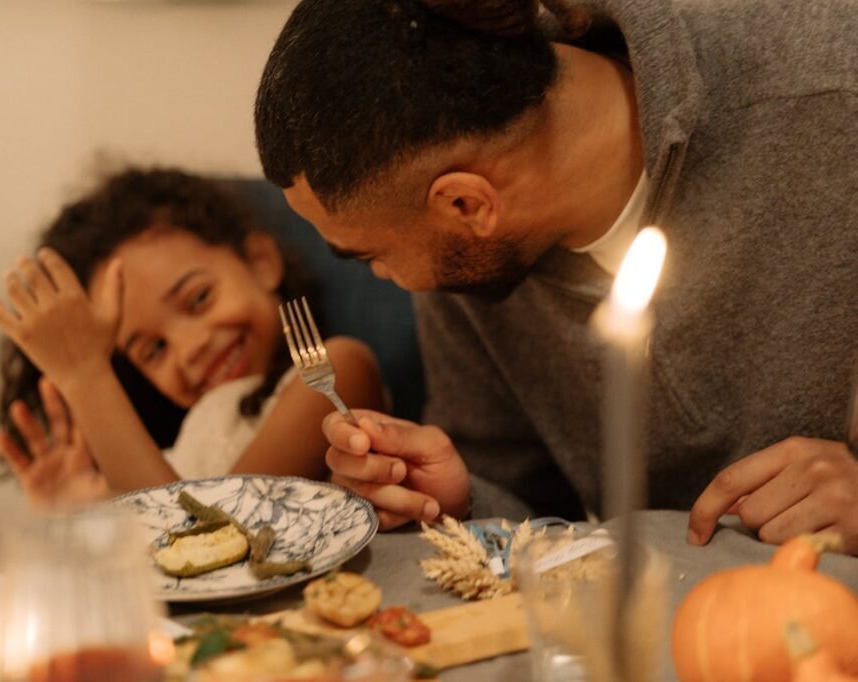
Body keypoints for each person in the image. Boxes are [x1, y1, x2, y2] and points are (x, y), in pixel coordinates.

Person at [253, 0, 858, 552]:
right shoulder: (471, 278)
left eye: (368, 256)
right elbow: (537, 514)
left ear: (467, 204)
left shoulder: (833, 91)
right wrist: (458, 500)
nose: (386, 278)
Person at [0, 166, 386, 509]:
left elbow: (211, 538)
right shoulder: (170, 454)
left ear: (260, 262)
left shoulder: (333, 373)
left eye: (198, 299)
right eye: (154, 350)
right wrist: (80, 515)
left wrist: (85, 377)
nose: (190, 348)